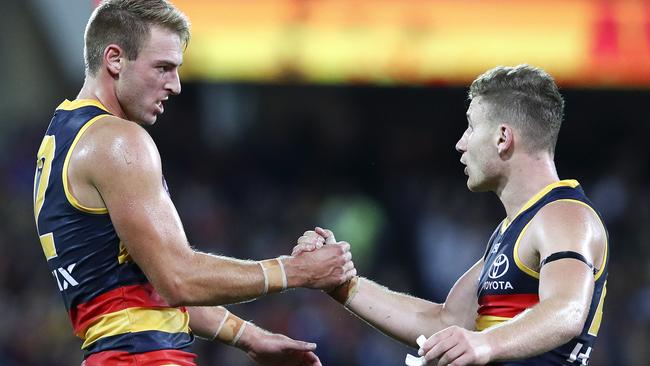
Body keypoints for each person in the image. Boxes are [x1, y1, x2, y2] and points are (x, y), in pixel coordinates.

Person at [32, 1, 355, 365]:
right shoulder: (117, 140)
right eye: (163, 68)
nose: (176, 85)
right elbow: (176, 279)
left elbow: (145, 286)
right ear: (115, 59)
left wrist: (250, 336)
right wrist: (293, 271)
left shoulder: (61, 139)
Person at [295, 65, 608, 365]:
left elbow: (567, 309)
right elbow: (443, 321)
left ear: (502, 138)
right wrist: (342, 283)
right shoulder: (512, 231)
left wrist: (484, 343)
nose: (460, 143)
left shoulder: (564, 214)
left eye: (471, 126)